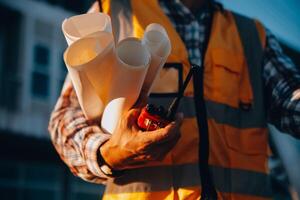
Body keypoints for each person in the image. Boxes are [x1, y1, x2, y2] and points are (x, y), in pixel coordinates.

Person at [48, 0, 300, 199]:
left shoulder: (253, 36)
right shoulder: (113, 14)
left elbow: (291, 98)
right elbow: (64, 121)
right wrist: (110, 154)